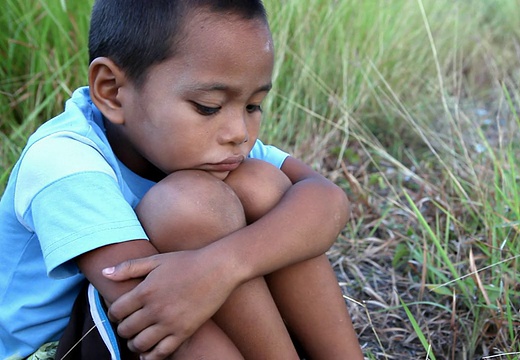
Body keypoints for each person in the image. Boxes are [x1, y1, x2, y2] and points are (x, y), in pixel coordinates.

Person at [0, 0, 364, 359]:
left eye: (253, 106)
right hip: (63, 346)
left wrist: (221, 266)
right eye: (209, 106)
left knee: (260, 185)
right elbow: (154, 319)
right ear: (112, 91)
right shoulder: (62, 162)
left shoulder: (213, 146)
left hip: (158, 319)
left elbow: (326, 200)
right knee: (188, 206)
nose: (239, 132)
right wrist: (212, 270)